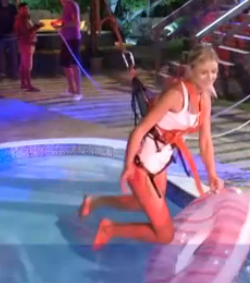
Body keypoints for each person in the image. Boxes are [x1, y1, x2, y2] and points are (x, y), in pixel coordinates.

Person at [80, 44, 224, 250]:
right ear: (191, 70)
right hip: (142, 164)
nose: (210, 77)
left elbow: (206, 140)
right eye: (204, 72)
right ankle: (109, 229)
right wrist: (128, 167)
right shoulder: (176, 95)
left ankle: (96, 201)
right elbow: (140, 130)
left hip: (160, 162)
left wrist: (211, 174)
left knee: (138, 203)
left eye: (214, 71)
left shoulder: (205, 98)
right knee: (165, 235)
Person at [51, 0, 82, 100]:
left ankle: (78, 92)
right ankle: (71, 89)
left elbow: (75, 22)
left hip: (73, 38)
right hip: (65, 39)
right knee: (65, 65)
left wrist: (62, 26)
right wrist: (57, 22)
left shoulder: (72, 5)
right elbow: (65, 19)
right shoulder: (65, 6)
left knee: (74, 64)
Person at [14, 2, 43, 92]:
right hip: (26, 43)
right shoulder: (22, 20)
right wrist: (37, 27)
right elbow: (26, 33)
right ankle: (29, 85)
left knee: (24, 64)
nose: (26, 10)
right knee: (27, 65)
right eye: (23, 9)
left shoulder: (25, 18)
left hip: (25, 43)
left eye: (27, 8)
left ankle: (23, 83)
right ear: (19, 10)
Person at [0, 0, 18, 79]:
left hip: (11, 34)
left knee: (13, 55)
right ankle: (2, 72)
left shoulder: (12, 8)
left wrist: (15, 30)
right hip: (0, 35)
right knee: (1, 54)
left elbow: (16, 18)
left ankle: (14, 72)